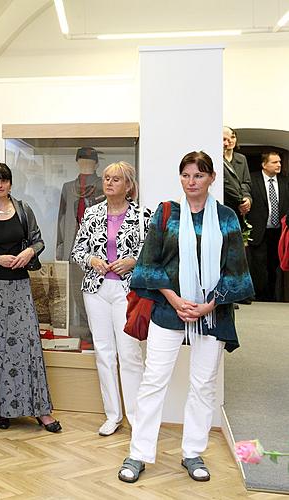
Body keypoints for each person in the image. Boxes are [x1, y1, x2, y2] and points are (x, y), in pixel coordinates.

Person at [118, 151, 253, 484]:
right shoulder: (166, 214)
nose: (192, 182)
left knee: (203, 385)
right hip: (169, 308)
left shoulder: (226, 218)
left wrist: (209, 304)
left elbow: (235, 270)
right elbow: (149, 264)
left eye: (199, 175)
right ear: (180, 178)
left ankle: (193, 452)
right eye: (186, 175)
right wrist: (175, 299)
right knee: (154, 381)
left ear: (211, 179)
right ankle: (138, 453)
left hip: (212, 313)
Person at [0, 162, 60, 431]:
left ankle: (41, 410)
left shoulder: (23, 210)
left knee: (26, 348)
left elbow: (38, 241)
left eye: (4, 180)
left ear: (10, 184)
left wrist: (29, 252)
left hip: (18, 286)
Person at [70, 161, 147, 437]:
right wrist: (92, 259)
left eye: (116, 179)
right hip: (96, 290)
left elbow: (152, 256)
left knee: (129, 354)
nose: (109, 183)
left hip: (128, 291)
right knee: (104, 353)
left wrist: (133, 261)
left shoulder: (142, 216)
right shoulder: (91, 214)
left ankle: (138, 419)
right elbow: (77, 251)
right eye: (106, 178)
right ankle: (112, 415)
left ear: (128, 185)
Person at [57, 147, 105, 344]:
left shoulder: (104, 185)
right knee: (77, 295)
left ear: (97, 163)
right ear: (77, 162)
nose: (86, 164)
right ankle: (85, 335)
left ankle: (99, 335)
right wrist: (60, 251)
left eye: (90, 160)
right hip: (72, 251)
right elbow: (61, 220)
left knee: (98, 296)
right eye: (83, 160)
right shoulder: (68, 188)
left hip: (98, 255)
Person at [246, 152, 288, 302]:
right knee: (258, 265)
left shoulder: (285, 181)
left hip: (278, 232)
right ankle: (259, 295)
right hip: (258, 230)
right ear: (264, 164)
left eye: (280, 162)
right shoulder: (252, 179)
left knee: (274, 265)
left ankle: (273, 296)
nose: (279, 165)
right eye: (274, 162)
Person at [222, 126, 252, 231]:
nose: (229, 141)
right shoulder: (216, 157)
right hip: (224, 205)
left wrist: (246, 199)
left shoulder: (241, 159)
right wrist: (238, 201)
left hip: (239, 210)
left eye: (232, 137)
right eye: (224, 139)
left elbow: (246, 183)